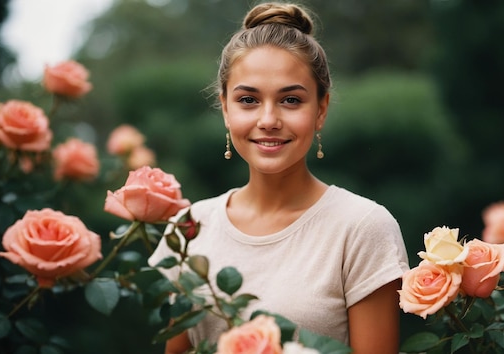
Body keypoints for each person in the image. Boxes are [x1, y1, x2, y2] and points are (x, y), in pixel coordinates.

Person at [148, 2, 409, 353]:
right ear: (225, 108)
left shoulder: (362, 227)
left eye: (290, 99)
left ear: (321, 109)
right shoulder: (191, 226)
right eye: (248, 100)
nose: (268, 119)